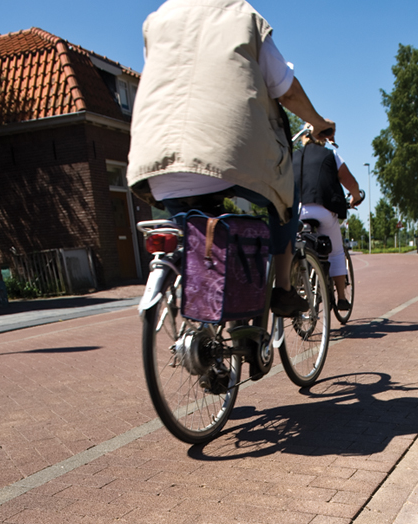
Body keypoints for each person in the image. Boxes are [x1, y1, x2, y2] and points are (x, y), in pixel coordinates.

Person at [127, 0, 335, 317]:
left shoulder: (156, 20)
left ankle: (204, 334)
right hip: (222, 154)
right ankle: (283, 290)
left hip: (155, 160)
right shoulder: (243, 16)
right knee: (284, 201)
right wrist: (319, 123)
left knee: (201, 234)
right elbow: (287, 92)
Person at [293, 132, 362, 310]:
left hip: (296, 211)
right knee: (336, 252)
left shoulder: (294, 155)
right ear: (322, 138)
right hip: (322, 208)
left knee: (297, 246)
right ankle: (341, 298)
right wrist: (356, 196)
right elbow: (349, 181)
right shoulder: (331, 155)